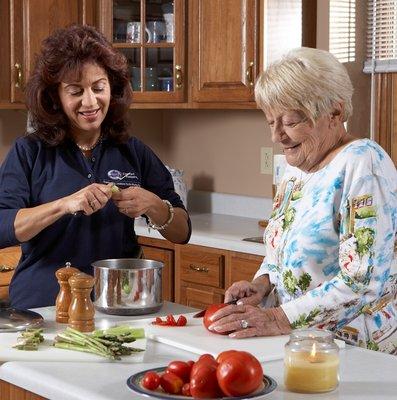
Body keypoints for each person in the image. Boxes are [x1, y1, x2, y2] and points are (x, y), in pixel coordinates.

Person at [208, 47, 397, 354]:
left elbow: (361, 282)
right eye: (271, 122)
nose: (277, 136)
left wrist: (276, 318)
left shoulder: (364, 164)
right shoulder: (297, 171)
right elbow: (280, 251)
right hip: (299, 345)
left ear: (335, 112)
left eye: (291, 121)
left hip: (353, 351)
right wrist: (262, 284)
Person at [0, 25, 191, 309]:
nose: (90, 102)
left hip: (118, 303)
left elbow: (182, 231)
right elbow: (3, 227)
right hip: (43, 306)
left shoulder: (132, 150)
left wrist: (154, 205)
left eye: (98, 88)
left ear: (111, 89)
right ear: (56, 97)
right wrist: (65, 205)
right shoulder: (29, 152)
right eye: (76, 91)